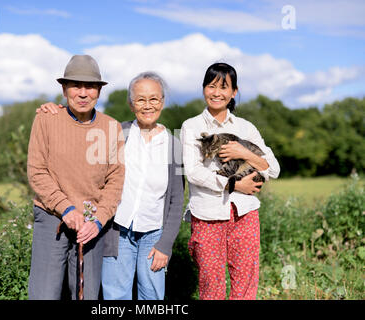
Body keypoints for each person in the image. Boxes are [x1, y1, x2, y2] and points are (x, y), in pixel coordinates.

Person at [37, 71, 185, 300]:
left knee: (152, 296)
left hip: (153, 235)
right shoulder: (115, 132)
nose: (148, 105)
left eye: (154, 99)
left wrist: (166, 244)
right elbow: (79, 130)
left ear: (162, 102)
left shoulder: (174, 144)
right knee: (116, 296)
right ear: (131, 103)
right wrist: (57, 110)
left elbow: (176, 200)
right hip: (118, 232)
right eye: (141, 99)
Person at [27, 54, 125, 300]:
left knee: (87, 295)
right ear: (64, 88)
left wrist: (99, 221)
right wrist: (67, 209)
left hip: (93, 222)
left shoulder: (112, 128)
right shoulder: (45, 119)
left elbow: (115, 181)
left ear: (99, 92)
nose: (83, 93)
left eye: (90, 86)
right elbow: (37, 171)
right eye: (76, 86)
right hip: (53, 216)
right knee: (44, 294)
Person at [180, 62, 280, 300]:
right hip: (207, 215)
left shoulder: (246, 127)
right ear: (203, 88)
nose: (217, 93)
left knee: (245, 283)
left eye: (224, 87)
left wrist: (244, 153)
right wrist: (234, 185)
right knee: (210, 284)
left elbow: (273, 169)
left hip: (245, 215)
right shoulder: (191, 126)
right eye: (211, 86)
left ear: (234, 92)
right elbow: (193, 172)